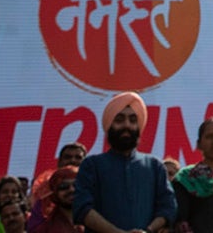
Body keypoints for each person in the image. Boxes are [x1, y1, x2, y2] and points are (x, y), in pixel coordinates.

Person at [74, 93, 174, 233]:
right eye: (119, 120)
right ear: (109, 125)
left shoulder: (155, 166)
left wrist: (149, 230)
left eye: (133, 120)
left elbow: (168, 207)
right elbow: (82, 209)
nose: (127, 125)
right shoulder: (91, 165)